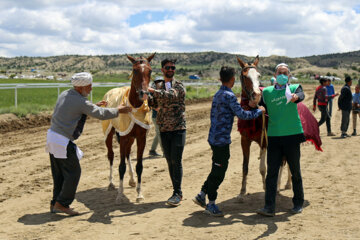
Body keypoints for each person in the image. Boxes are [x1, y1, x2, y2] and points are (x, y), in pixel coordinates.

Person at [46, 72, 132, 215]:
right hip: (62, 141)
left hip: (52, 137)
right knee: (73, 173)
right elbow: (100, 114)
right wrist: (118, 110)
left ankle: (56, 203)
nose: (91, 89)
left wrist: (92, 106)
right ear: (81, 87)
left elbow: (79, 108)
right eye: (89, 86)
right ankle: (62, 204)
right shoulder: (81, 101)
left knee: (59, 174)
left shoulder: (66, 93)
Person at [192, 66, 265, 216]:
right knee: (219, 172)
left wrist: (250, 107)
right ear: (232, 80)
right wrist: (259, 111)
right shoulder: (230, 96)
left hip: (214, 138)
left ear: (221, 79)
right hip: (221, 141)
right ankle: (211, 203)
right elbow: (242, 115)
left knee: (216, 168)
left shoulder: (218, 94)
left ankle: (202, 194)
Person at [257, 63, 306, 217]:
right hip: (274, 136)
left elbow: (301, 96)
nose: (282, 75)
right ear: (275, 74)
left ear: (289, 75)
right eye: (280, 72)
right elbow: (260, 106)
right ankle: (269, 207)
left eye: (285, 73)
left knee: (295, 171)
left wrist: (296, 97)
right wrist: (258, 107)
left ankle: (298, 203)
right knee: (272, 172)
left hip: (292, 135)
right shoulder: (267, 92)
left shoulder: (295, 88)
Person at [146, 59, 186, 207]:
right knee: (169, 161)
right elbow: (152, 102)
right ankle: (176, 192)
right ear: (162, 69)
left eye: (173, 67)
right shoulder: (156, 84)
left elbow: (171, 96)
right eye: (168, 67)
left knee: (176, 160)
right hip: (164, 129)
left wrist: (152, 92)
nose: (171, 69)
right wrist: (146, 97)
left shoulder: (179, 85)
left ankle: (178, 193)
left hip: (178, 128)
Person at [149, 76, 165, 157]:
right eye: (158, 81)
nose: (159, 83)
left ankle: (152, 150)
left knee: (158, 133)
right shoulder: (152, 93)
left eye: (161, 81)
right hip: (156, 116)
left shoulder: (163, 91)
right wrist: (155, 108)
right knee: (159, 133)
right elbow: (149, 103)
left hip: (162, 116)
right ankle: (164, 152)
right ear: (155, 83)